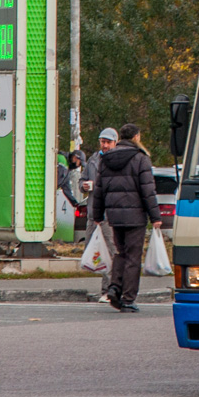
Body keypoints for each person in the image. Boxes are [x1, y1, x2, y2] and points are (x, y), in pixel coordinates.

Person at [93, 123, 162, 313]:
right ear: (136, 137)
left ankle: (114, 287)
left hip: (114, 215)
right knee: (133, 257)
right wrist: (155, 216)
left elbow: (99, 190)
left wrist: (97, 215)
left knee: (120, 253)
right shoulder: (141, 158)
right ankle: (128, 298)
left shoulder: (105, 159)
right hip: (135, 215)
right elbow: (148, 190)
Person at [82, 128, 119, 302]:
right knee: (93, 251)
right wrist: (83, 185)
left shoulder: (117, 160)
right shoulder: (93, 159)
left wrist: (95, 185)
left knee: (110, 252)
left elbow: (114, 184)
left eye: (108, 142)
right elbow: (82, 178)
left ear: (115, 143)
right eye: (102, 141)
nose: (104, 145)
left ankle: (109, 289)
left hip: (107, 214)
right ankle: (108, 287)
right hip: (92, 213)